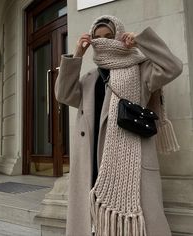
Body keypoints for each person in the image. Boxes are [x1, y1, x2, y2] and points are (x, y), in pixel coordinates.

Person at [55, 15, 183, 236]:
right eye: (97, 37)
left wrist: (142, 41)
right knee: (96, 222)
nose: (103, 41)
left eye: (109, 36)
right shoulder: (89, 78)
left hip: (131, 161)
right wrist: (77, 55)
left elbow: (173, 67)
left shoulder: (141, 70)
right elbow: (63, 94)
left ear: (119, 36)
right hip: (92, 159)